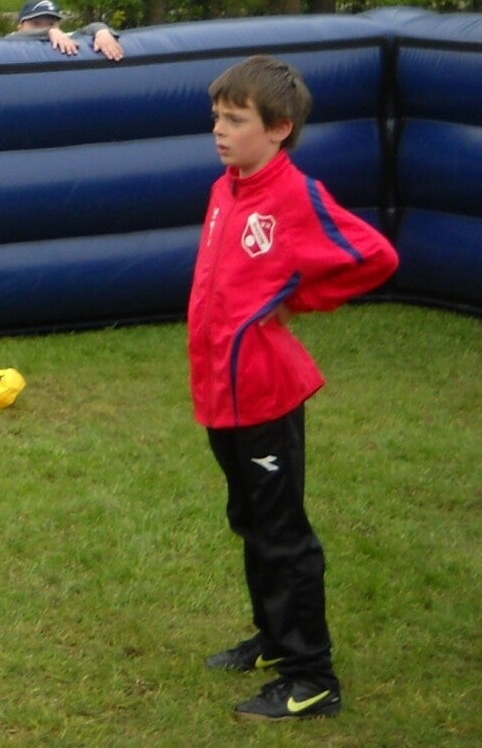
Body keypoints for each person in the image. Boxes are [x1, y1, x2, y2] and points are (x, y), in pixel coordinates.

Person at [190, 55, 397, 723]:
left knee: (283, 534)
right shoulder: (226, 188)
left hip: (265, 395)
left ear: (279, 128)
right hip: (221, 391)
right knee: (250, 521)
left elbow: (376, 256)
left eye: (235, 120)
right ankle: (276, 639)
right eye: (217, 117)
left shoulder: (296, 196)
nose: (220, 130)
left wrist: (298, 301)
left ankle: (312, 678)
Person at [11, 0, 125, 61]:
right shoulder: (11, 42)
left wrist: (102, 32)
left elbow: (88, 29)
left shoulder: (64, 38)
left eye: (51, 24)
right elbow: (14, 37)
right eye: (36, 23)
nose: (44, 27)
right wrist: (48, 32)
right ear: (20, 27)